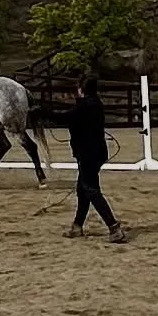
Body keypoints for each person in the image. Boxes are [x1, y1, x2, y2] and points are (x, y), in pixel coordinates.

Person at [63, 75, 126, 243]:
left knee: (90, 190)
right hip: (97, 153)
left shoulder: (83, 107)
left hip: (87, 154)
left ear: (81, 89)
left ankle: (114, 227)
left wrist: (39, 113)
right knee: (82, 190)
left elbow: (64, 118)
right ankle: (77, 226)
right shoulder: (96, 104)